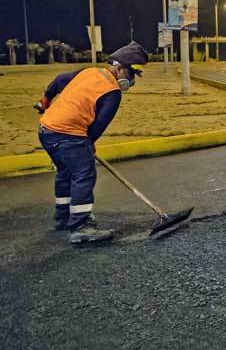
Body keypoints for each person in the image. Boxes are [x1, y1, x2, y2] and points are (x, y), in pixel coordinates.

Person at [38, 41, 149, 245]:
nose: (132, 80)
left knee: (66, 172)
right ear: (119, 67)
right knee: (84, 174)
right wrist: (88, 143)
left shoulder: (88, 72)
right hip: (68, 134)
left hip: (46, 130)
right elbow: (98, 126)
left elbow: (59, 81)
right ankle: (81, 227)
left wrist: (45, 100)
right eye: (131, 74)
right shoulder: (112, 92)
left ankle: (63, 217)